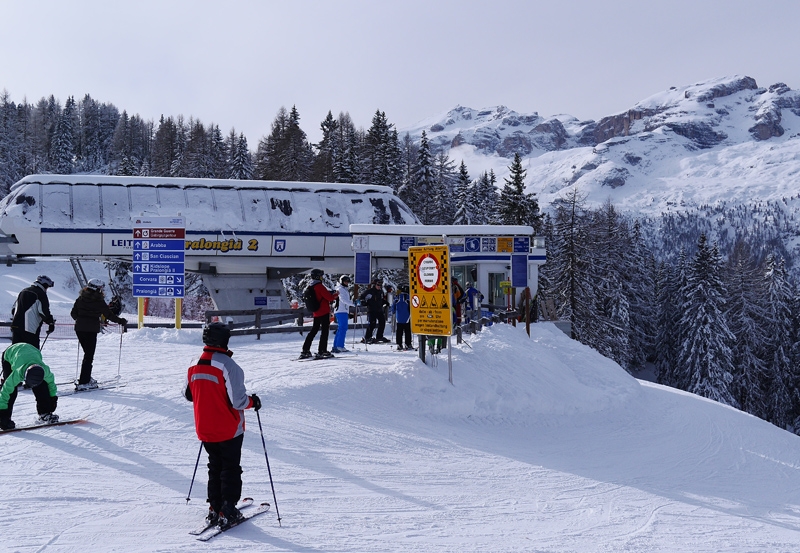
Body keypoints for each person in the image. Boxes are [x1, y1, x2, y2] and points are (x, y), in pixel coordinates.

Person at [184, 322, 261, 527]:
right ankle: (228, 509)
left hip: (204, 427)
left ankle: (214, 506)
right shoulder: (228, 365)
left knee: (214, 466)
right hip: (228, 428)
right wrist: (253, 401)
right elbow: (239, 402)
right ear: (224, 341)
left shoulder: (194, 362)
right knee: (230, 468)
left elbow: (188, 394)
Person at [70, 279, 128, 391]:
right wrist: (120, 321)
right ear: (97, 288)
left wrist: (80, 320)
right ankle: (84, 381)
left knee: (87, 354)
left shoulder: (80, 298)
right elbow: (109, 315)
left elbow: (73, 313)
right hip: (91, 330)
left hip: (79, 329)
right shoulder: (98, 301)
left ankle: (85, 377)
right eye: (101, 288)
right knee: (89, 356)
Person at [0, 342, 59, 430]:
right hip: (10, 354)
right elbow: (5, 391)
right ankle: (4, 419)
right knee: (12, 391)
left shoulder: (45, 370)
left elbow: (51, 384)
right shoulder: (17, 373)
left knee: (42, 387)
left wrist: (52, 398)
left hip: (31, 351)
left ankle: (44, 413)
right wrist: (2, 414)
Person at [300, 269, 338, 359]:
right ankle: (322, 350)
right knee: (325, 332)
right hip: (324, 312)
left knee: (313, 331)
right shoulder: (319, 286)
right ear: (318, 277)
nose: (322, 277)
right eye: (321, 276)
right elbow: (329, 298)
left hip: (316, 312)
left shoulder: (310, 286)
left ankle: (305, 350)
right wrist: (336, 294)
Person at [10, 275, 56, 349]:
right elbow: (43, 312)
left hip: (16, 326)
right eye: (47, 286)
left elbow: (13, 309)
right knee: (32, 352)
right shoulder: (40, 294)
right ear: (44, 285)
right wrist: (50, 322)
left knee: (16, 351)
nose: (47, 289)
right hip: (30, 329)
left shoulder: (23, 291)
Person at [360, 278, 390, 344]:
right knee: (372, 324)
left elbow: (380, 300)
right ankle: (367, 337)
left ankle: (379, 336)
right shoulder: (370, 292)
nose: (379, 286)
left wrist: (385, 302)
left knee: (382, 323)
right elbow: (362, 297)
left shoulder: (380, 292)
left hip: (379, 309)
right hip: (372, 310)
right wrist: (364, 302)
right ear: (375, 285)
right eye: (378, 285)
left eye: (380, 285)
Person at [332, 275, 354, 354]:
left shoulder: (343, 289)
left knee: (341, 328)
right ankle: (339, 346)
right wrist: (353, 304)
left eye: (347, 281)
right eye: (345, 281)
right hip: (341, 310)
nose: (346, 283)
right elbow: (344, 300)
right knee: (343, 328)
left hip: (343, 310)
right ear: (341, 281)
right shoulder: (340, 289)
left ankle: (336, 346)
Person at [392, 286, 413, 351]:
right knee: (407, 331)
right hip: (407, 316)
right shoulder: (408, 297)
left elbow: (393, 307)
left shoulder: (397, 297)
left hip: (399, 317)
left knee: (399, 331)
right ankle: (408, 344)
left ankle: (399, 344)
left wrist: (393, 311)